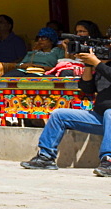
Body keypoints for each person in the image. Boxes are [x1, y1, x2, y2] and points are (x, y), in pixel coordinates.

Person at [21, 48, 111, 176]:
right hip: (99, 118)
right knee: (59, 115)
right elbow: (87, 88)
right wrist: (88, 65)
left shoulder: (102, 66)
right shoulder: (104, 66)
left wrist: (97, 63)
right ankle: (45, 158)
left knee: (110, 113)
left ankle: (108, 161)